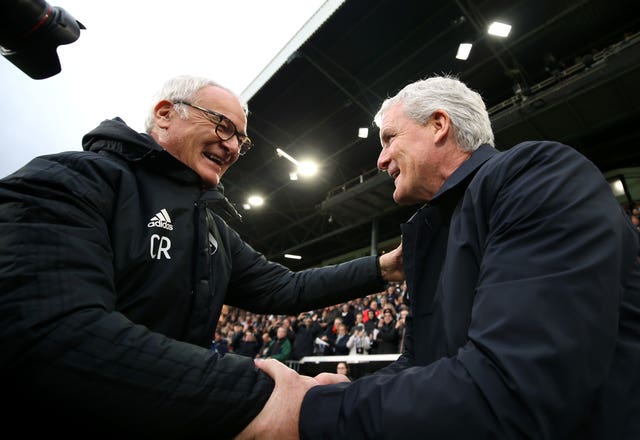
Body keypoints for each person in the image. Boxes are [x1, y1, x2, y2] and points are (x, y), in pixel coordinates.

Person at [237, 75, 640, 439]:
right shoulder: (435, 233)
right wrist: (343, 392)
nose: (380, 160)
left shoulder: (536, 176)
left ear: (438, 125)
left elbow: (512, 389)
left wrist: (313, 412)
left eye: (389, 138)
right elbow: (420, 363)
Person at [0, 75, 404, 438]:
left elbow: (286, 285)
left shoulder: (213, 230)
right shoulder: (70, 180)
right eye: (222, 125)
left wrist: (383, 267)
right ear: (164, 115)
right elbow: (54, 330)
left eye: (240, 140)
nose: (231, 146)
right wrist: (264, 396)